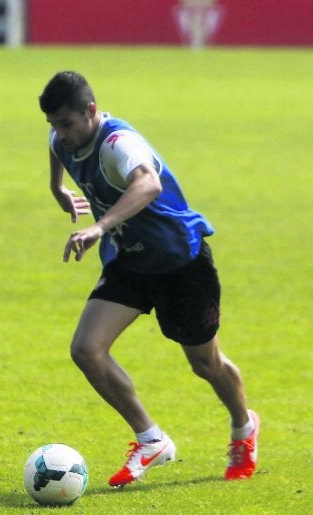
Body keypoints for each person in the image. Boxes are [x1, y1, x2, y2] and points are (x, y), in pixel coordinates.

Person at [38, 71, 259, 486]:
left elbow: (148, 183)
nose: (60, 134)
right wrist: (58, 190)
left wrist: (99, 227)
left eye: (66, 123)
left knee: (205, 363)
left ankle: (244, 428)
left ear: (91, 111)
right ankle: (150, 438)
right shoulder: (61, 138)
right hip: (131, 261)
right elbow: (57, 151)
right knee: (86, 349)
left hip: (180, 261)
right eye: (53, 124)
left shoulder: (119, 144)